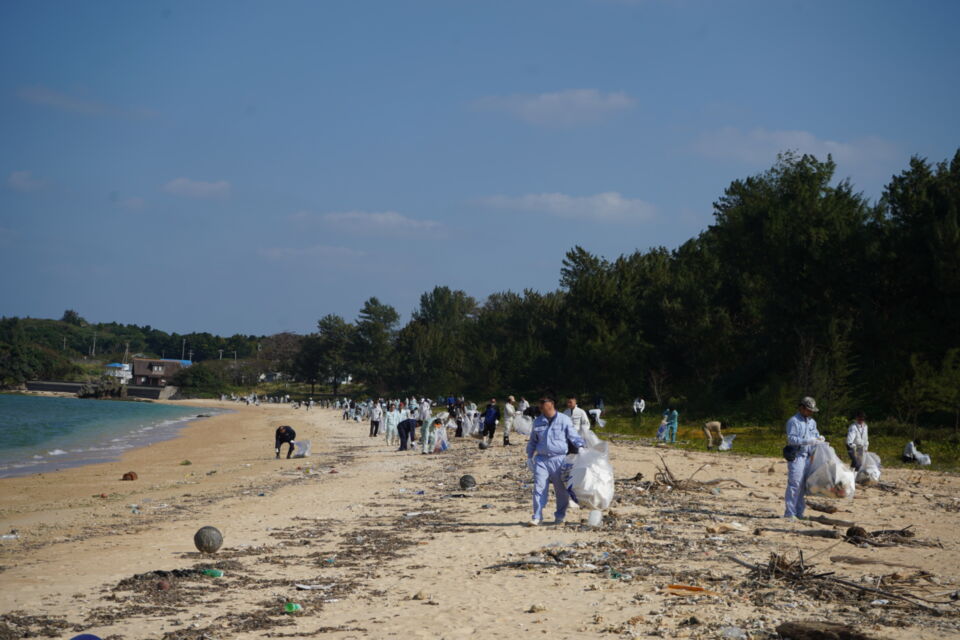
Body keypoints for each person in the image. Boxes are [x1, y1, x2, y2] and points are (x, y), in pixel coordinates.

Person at [526, 396, 586, 526]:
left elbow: (573, 436)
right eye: (539, 404)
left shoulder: (564, 420)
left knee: (561, 490)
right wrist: (529, 457)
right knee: (539, 487)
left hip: (559, 459)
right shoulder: (538, 421)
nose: (541, 406)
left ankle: (560, 516)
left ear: (551, 404)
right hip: (541, 459)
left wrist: (580, 447)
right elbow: (533, 441)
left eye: (543, 404)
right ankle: (537, 516)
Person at [783, 396, 824, 520]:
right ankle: (790, 513)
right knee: (794, 484)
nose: (811, 412)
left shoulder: (812, 422)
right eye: (808, 410)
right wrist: (807, 441)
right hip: (796, 455)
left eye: (812, 410)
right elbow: (791, 439)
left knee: (803, 486)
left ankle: (800, 512)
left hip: (808, 456)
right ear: (801, 408)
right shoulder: (793, 421)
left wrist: (819, 439)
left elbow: (815, 435)